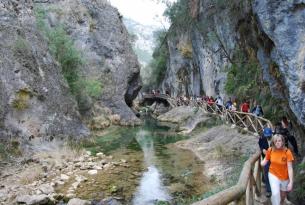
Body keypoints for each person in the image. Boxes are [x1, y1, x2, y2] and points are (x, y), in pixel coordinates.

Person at [261, 134, 294, 205]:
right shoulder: (270, 150)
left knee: (282, 196)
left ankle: (281, 202)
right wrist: (262, 163)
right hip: (273, 174)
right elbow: (265, 160)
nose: (278, 143)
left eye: (279, 141)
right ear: (273, 143)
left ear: (282, 142)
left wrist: (291, 182)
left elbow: (290, 167)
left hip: (284, 177)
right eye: (275, 141)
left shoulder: (287, 152)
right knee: (275, 194)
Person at [258, 127, 273, 197]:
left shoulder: (275, 139)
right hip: (266, 159)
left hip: (274, 158)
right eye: (266, 136)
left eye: (269, 136)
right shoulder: (262, 138)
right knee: (266, 172)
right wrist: (262, 150)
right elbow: (260, 144)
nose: (268, 137)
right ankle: (269, 190)